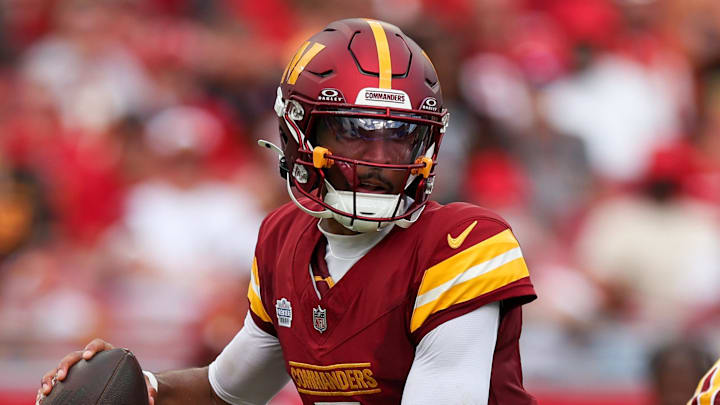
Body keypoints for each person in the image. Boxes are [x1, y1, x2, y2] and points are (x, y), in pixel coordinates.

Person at [37, 18, 537, 405]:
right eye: (356, 133)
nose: (382, 161)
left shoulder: (461, 244)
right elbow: (227, 389)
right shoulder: (284, 239)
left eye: (402, 136)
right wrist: (134, 388)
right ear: (299, 134)